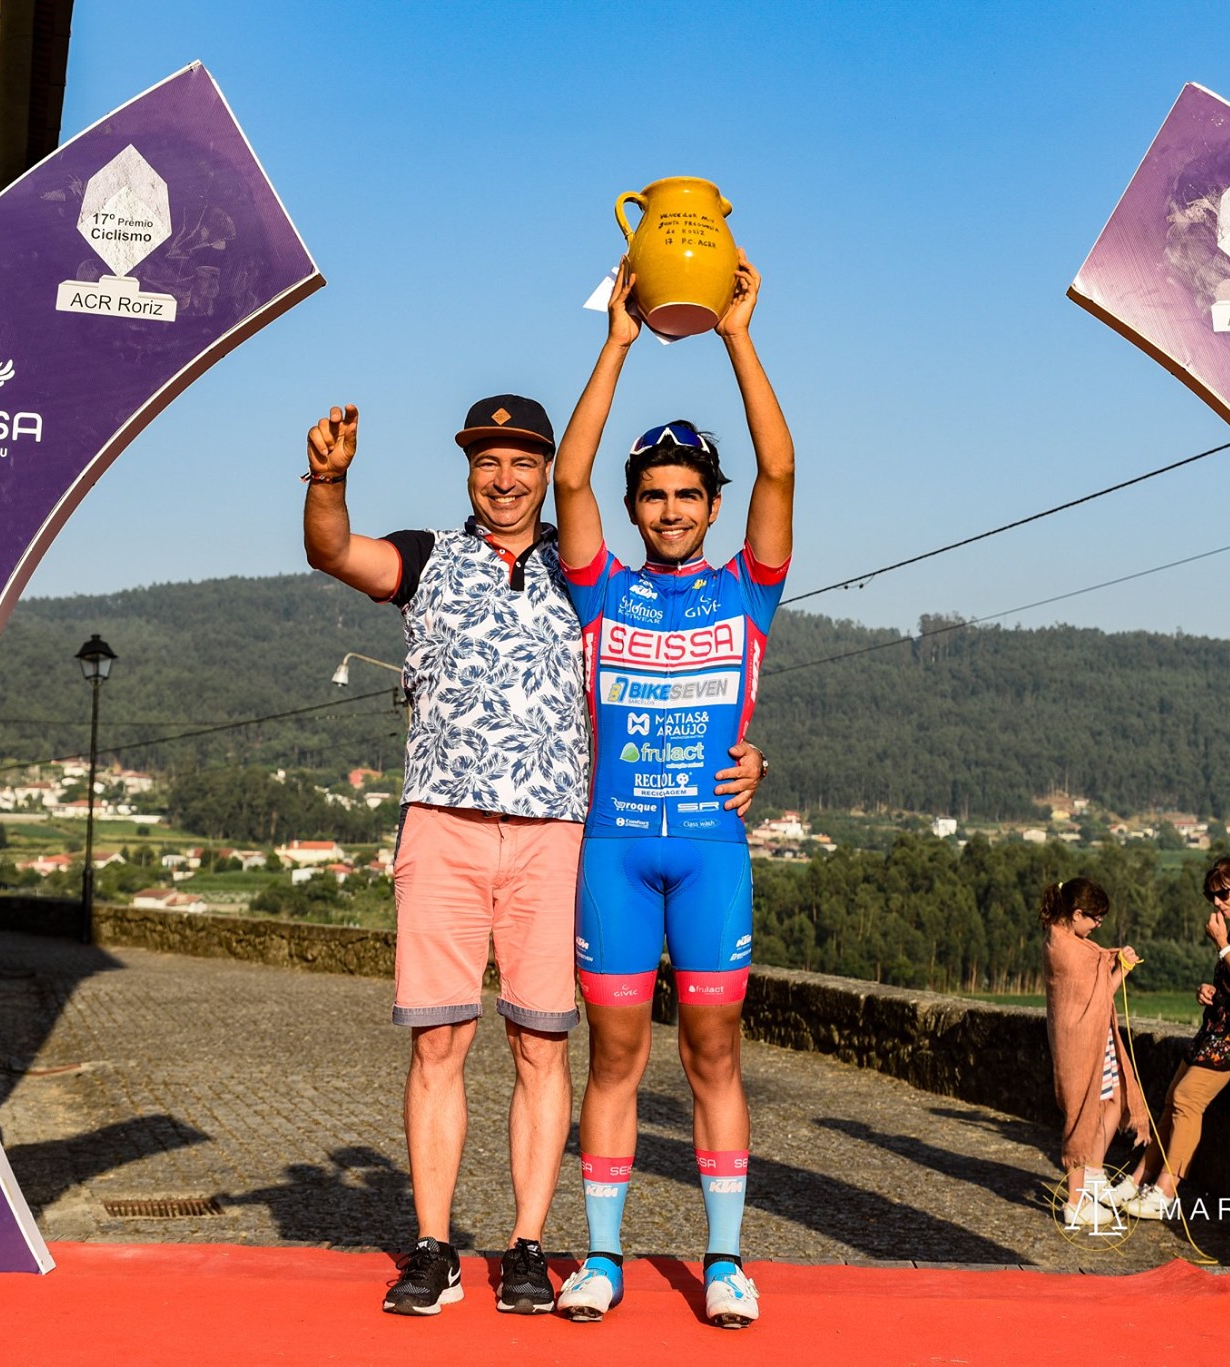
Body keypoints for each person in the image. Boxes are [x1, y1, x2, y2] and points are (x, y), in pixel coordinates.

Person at [302, 392, 766, 1316]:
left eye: (523, 461)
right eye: (488, 460)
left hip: (558, 833)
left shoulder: (589, 572)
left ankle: (526, 1247)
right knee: (439, 1041)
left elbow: (679, 671)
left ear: (548, 471)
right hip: (443, 824)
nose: (505, 478)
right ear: (469, 471)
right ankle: (432, 1248)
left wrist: (749, 755)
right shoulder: (427, 555)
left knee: (541, 1045)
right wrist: (327, 480)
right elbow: (334, 550)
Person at [549, 255, 793, 1329]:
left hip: (709, 853)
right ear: (635, 506)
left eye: (688, 493)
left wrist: (737, 334)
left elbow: (781, 470)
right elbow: (568, 482)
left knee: (712, 1055)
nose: (670, 508)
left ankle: (725, 1260)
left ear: (712, 503)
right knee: (613, 1057)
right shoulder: (601, 586)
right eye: (652, 494)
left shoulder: (746, 588)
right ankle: (601, 1257)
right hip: (614, 851)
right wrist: (616, 340)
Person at [1113, 855, 1230, 1221]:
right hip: (1219, 1029)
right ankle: (1137, 1181)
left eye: (1223, 894)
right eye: (1210, 895)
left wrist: (1222, 945)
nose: (1216, 902)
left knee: (1187, 1098)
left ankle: (1165, 1192)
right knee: (1171, 1100)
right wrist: (1211, 991)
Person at [1041, 877, 1147, 1230]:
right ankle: (1076, 1202)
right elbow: (1102, 995)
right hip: (1080, 1042)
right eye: (1095, 919)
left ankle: (1094, 1174)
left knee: (1115, 1100)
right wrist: (1122, 969)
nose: (1098, 926)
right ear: (1076, 914)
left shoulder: (1064, 938)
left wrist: (1114, 963)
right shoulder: (1070, 952)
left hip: (1094, 1037)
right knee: (1082, 1114)